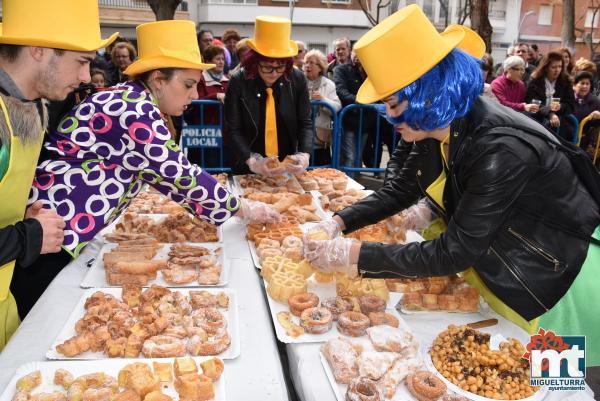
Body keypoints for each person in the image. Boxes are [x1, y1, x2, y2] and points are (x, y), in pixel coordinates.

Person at [304, 4, 600, 366]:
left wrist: (354, 256)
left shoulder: (499, 147)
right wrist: (338, 221)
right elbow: (400, 189)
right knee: (499, 369)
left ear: (428, 93)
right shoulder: (436, 124)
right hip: (505, 269)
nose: (389, 115)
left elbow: (454, 251)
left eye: (393, 103)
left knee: (553, 384)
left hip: (555, 281)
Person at [15, 20, 279, 319]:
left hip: (60, 227)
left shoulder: (133, 100)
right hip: (51, 233)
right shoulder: (133, 108)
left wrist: (227, 207)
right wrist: (241, 207)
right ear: (158, 79)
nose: (194, 96)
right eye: (188, 85)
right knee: (35, 320)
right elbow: (177, 173)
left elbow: (166, 176)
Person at [0, 0, 117, 347]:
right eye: (81, 61)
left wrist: (20, 216)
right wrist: (27, 237)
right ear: (38, 50)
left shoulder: (30, 107)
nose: (86, 77)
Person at [224, 16, 312, 175]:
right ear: (254, 62)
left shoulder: (297, 79)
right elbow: (233, 129)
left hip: (286, 163)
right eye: (266, 67)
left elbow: (305, 123)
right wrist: (251, 160)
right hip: (247, 164)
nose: (274, 73)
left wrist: (304, 154)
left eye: (280, 67)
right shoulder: (238, 81)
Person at [186, 44, 230, 168]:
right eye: (217, 59)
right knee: (204, 166)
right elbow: (194, 98)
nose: (221, 62)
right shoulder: (199, 79)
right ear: (207, 61)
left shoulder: (228, 79)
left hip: (224, 132)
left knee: (222, 167)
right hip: (204, 133)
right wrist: (215, 96)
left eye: (222, 59)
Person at [525, 50, 575, 140]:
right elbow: (532, 102)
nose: (557, 70)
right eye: (553, 67)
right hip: (537, 121)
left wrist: (560, 106)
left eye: (560, 66)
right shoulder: (535, 81)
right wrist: (550, 114)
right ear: (546, 67)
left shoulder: (566, 82)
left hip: (559, 125)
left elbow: (571, 104)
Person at [302, 49, 341, 166]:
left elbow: (337, 106)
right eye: (306, 62)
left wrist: (323, 99)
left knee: (321, 170)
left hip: (320, 136)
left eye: (311, 63)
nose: (307, 66)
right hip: (301, 134)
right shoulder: (298, 81)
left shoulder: (328, 84)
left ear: (320, 67)